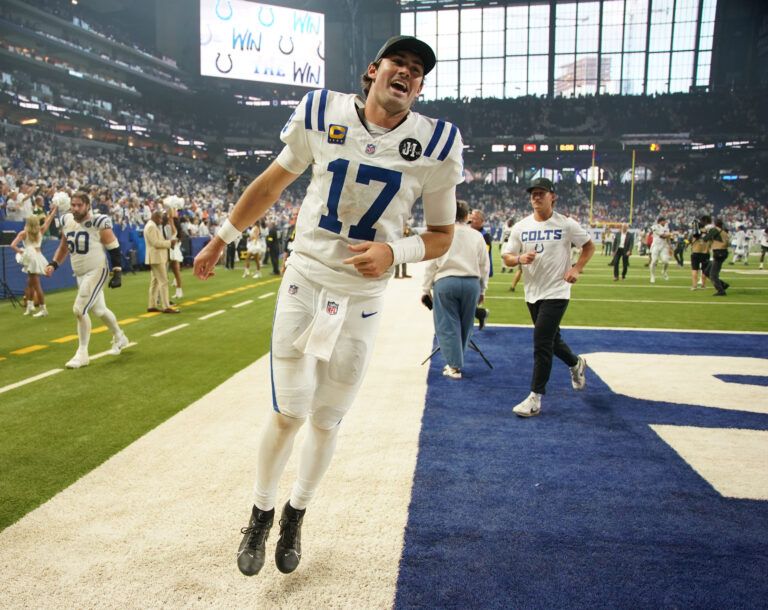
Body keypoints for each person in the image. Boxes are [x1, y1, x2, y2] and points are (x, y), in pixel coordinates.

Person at [193, 35, 461, 577]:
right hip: (307, 279)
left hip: (362, 297)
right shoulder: (322, 112)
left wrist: (395, 250)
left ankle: (296, 513)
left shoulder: (436, 143)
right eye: (398, 64)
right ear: (373, 71)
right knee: (289, 409)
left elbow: (439, 235)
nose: (407, 74)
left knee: (327, 417)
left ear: (421, 86)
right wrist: (222, 237)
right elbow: (271, 184)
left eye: (417, 71)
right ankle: (261, 512)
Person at [502, 177, 594, 418]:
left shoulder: (566, 224)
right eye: (533, 193)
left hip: (557, 291)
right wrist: (520, 259)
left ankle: (535, 397)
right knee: (552, 340)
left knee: (541, 341)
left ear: (553, 196)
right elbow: (507, 256)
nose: (536, 197)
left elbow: (588, 246)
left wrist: (576, 269)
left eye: (541, 192)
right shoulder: (521, 226)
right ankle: (576, 363)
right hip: (533, 292)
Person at [44, 192, 129, 368]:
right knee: (100, 310)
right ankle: (120, 337)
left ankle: (82, 353)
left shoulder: (98, 221)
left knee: (79, 309)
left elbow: (113, 246)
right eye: (73, 205)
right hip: (81, 274)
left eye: (79, 205)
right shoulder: (67, 220)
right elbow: (63, 246)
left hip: (97, 270)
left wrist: (117, 271)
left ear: (87, 205)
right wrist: (54, 263)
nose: (75, 208)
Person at [422, 200, 489, 379]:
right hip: (471, 283)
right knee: (466, 324)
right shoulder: (477, 236)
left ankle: (454, 365)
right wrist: (483, 289)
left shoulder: (442, 235)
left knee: (447, 324)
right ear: (467, 217)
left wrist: (425, 289)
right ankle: (456, 361)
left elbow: (431, 264)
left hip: (446, 281)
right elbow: (484, 265)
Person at [11, 205, 58, 317]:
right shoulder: (41, 230)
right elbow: (49, 219)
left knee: (36, 285)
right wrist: (54, 210)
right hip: (38, 256)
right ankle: (30, 306)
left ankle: (43, 309)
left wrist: (21, 252)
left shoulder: (23, 233)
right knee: (30, 283)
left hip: (31, 258)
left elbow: (12, 245)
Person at [144, 208, 179, 313]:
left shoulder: (151, 226)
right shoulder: (151, 227)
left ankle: (152, 305)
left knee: (154, 282)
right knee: (163, 282)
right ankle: (166, 306)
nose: (161, 221)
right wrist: (169, 243)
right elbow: (155, 243)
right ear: (155, 217)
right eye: (160, 219)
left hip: (155, 257)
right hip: (156, 257)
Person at [704, 218, 730, 296]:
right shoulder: (724, 231)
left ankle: (721, 290)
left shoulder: (715, 230)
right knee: (707, 271)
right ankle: (723, 284)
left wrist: (705, 233)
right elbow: (727, 243)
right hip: (723, 252)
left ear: (715, 224)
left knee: (712, 274)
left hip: (718, 253)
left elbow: (706, 238)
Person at [689, 215, 711, 290]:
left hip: (695, 252)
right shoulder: (708, 232)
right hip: (705, 252)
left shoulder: (694, 232)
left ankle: (694, 286)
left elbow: (689, 240)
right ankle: (703, 285)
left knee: (695, 270)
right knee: (704, 270)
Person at [649, 216, 671, 283]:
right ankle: (652, 276)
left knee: (666, 261)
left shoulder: (666, 227)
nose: (665, 222)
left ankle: (664, 272)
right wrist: (670, 234)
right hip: (656, 246)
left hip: (664, 246)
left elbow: (668, 238)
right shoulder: (654, 227)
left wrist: (670, 246)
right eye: (664, 221)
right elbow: (662, 236)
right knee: (654, 261)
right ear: (660, 221)